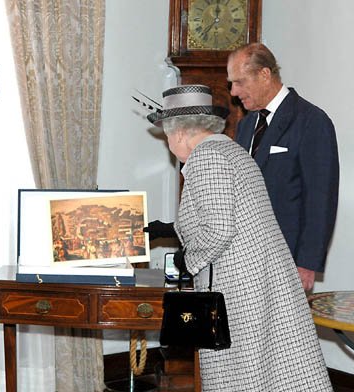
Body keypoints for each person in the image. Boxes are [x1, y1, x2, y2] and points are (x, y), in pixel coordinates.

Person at [145, 84, 333, 391]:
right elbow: (227, 215)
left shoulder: (207, 157)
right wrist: (171, 229)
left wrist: (185, 260)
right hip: (258, 281)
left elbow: (218, 229)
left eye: (166, 135)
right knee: (273, 375)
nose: (168, 143)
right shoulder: (230, 149)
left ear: (179, 133)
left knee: (241, 377)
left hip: (240, 290)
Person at [227, 43, 339, 291]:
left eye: (240, 82)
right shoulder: (246, 126)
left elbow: (320, 199)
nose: (233, 91)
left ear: (264, 74)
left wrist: (306, 263)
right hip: (245, 261)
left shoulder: (311, 121)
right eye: (231, 83)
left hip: (287, 262)